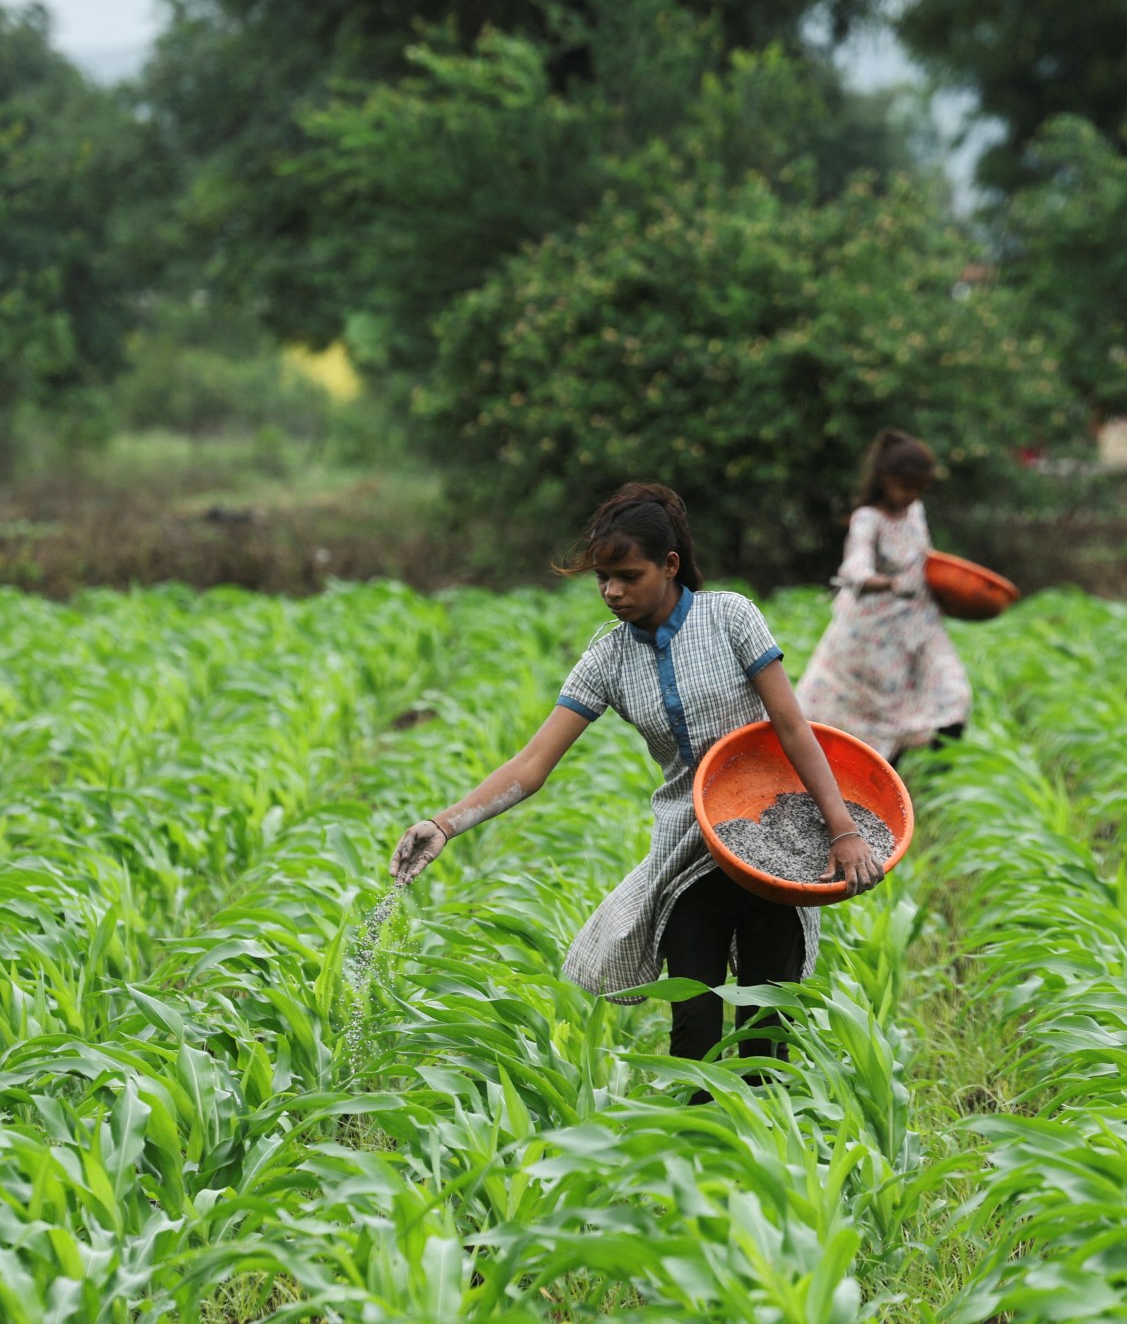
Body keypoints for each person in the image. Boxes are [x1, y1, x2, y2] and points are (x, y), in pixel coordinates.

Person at [390, 482, 881, 1069]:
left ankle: (762, 1146)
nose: (611, 591)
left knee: (765, 1026)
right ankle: (694, 1142)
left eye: (628, 575)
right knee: (694, 1025)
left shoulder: (731, 617)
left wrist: (842, 829)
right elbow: (532, 764)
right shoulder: (608, 658)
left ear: (670, 566)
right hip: (687, 849)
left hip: (771, 842)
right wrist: (444, 825)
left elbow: (794, 729)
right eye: (603, 577)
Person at [797, 430, 972, 767]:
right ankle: (877, 778)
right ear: (885, 479)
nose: (911, 496)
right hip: (871, 637)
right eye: (906, 488)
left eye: (919, 489)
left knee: (952, 692)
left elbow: (924, 557)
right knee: (870, 717)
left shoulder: (916, 511)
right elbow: (854, 570)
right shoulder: (868, 519)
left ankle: (935, 767)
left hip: (918, 626)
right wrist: (890, 584)